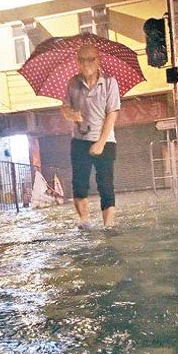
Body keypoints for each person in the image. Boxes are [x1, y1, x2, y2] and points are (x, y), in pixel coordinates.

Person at [61, 44, 120, 229]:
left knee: (105, 184)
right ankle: (84, 222)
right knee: (79, 184)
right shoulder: (73, 82)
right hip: (79, 140)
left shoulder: (110, 82)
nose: (86, 63)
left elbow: (112, 113)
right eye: (81, 59)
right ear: (77, 62)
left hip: (105, 141)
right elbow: (64, 107)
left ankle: (108, 227)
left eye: (90, 59)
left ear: (98, 60)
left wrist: (101, 143)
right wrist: (72, 115)